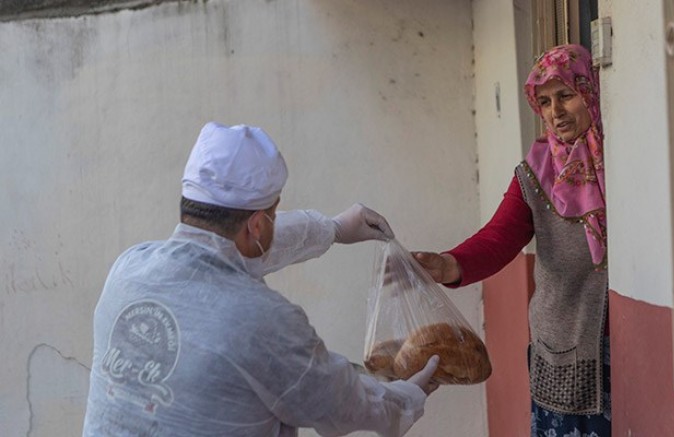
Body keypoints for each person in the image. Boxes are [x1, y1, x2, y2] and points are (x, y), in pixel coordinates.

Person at [82, 121, 440, 437]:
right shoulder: (262, 320)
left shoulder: (129, 269)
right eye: (273, 215)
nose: (273, 222)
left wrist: (330, 229)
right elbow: (339, 403)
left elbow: (220, 257)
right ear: (257, 224)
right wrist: (406, 399)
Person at [413, 44, 610, 436]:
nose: (555, 112)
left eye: (566, 95)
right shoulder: (535, 173)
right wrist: (447, 264)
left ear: (590, 92)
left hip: (622, 345)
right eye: (545, 102)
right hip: (562, 349)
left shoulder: (623, 161)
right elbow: (498, 238)